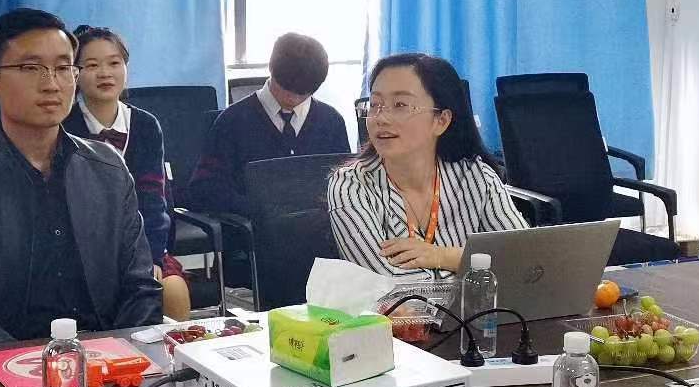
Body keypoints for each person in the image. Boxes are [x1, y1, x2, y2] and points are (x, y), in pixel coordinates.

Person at [0, 8, 162, 349]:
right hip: (0, 367)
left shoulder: (109, 170)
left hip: (107, 358)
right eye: (30, 68)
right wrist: (42, 368)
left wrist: (120, 356)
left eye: (63, 68)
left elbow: (140, 289)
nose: (51, 83)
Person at [327, 53, 528, 279]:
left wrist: (443, 256)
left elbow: (525, 259)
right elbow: (388, 284)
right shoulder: (351, 185)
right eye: (375, 105)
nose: (380, 118)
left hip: (479, 303)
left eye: (400, 105)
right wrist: (478, 264)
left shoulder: (476, 176)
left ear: (441, 121)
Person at [63, 25, 191, 320]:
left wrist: (153, 256)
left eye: (114, 62)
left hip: (141, 244)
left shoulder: (146, 125)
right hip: (83, 249)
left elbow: (154, 200)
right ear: (74, 73)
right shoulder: (64, 125)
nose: (105, 73)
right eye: (91, 65)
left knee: (172, 289)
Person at [187, 32, 350, 217]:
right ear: (271, 67)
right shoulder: (231, 122)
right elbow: (204, 189)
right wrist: (258, 209)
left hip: (317, 228)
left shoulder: (331, 121)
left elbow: (344, 185)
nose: (293, 99)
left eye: (303, 93)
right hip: (251, 228)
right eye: (286, 89)